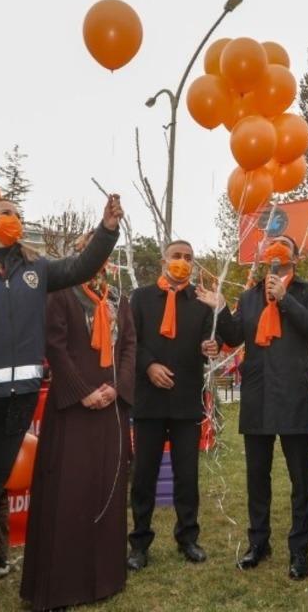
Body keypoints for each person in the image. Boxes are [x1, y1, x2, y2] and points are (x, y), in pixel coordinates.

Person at [0, 195, 121, 612]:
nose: (15, 219)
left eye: (18, 213)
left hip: (17, 401)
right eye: (6, 213)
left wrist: (106, 230)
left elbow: (81, 267)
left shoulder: (35, 268)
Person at [198, 234, 308, 580]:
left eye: (284, 244)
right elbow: (234, 336)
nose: (275, 248)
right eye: (271, 244)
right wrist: (221, 308)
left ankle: (299, 549)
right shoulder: (250, 295)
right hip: (258, 395)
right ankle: (259, 543)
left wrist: (284, 298)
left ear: (294, 257)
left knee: (301, 478)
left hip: (293, 395)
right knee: (257, 476)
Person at [21, 234, 136, 609]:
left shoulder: (117, 298)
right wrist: (82, 391)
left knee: (107, 489)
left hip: (111, 409)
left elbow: (129, 345)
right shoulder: (61, 292)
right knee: (68, 492)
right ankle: (62, 585)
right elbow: (54, 345)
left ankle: (106, 578)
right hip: (73, 408)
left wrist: (117, 388)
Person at [127, 239, 214, 571]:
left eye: (188, 257)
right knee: (144, 475)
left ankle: (188, 537)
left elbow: (214, 338)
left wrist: (212, 345)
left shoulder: (201, 302)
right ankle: (139, 542)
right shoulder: (141, 298)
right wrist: (149, 366)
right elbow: (130, 342)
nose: (183, 261)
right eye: (177, 256)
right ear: (164, 261)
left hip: (186, 400)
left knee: (187, 475)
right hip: (148, 401)